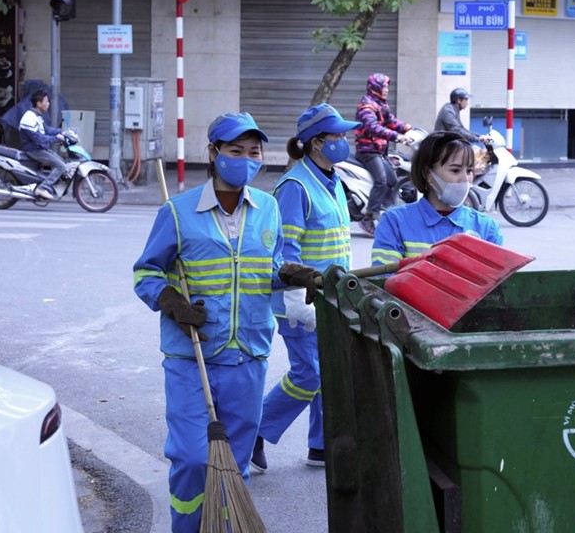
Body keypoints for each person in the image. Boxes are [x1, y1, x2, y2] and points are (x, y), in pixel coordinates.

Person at [132, 112, 318, 533]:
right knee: (193, 459)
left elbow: (266, 268)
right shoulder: (178, 212)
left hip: (248, 355)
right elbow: (146, 272)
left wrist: (288, 273)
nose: (247, 160)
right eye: (236, 151)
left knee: (234, 463)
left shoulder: (268, 208)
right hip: (191, 356)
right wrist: (169, 300)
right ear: (214, 154)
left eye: (254, 152)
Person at [252, 103, 360, 472]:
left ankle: (321, 446)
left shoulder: (333, 180)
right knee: (310, 374)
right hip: (300, 301)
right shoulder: (295, 186)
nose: (344, 142)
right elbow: (285, 250)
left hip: (329, 295)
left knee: (329, 371)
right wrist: (299, 300)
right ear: (316, 143)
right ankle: (255, 431)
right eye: (338, 136)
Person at [371, 131, 503, 268]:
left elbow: (497, 282)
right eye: (455, 170)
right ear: (428, 174)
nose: (465, 179)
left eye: (469, 171)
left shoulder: (487, 227)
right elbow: (384, 280)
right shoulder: (395, 222)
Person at [354, 72, 413, 237]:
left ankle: (384, 212)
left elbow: (391, 122)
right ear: (376, 87)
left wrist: (409, 129)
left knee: (393, 179)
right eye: (384, 86)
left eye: (387, 86)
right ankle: (367, 218)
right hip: (367, 151)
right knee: (381, 181)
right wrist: (397, 136)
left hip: (379, 151)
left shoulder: (381, 103)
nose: (387, 89)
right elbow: (374, 128)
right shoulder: (367, 106)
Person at [18, 89, 66, 200]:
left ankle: (49, 186)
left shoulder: (36, 115)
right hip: (34, 150)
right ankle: (42, 188)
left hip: (40, 148)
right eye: (46, 101)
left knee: (62, 162)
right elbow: (39, 139)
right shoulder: (29, 118)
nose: (48, 104)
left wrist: (61, 132)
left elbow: (46, 129)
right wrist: (56, 138)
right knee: (61, 166)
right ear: (39, 104)